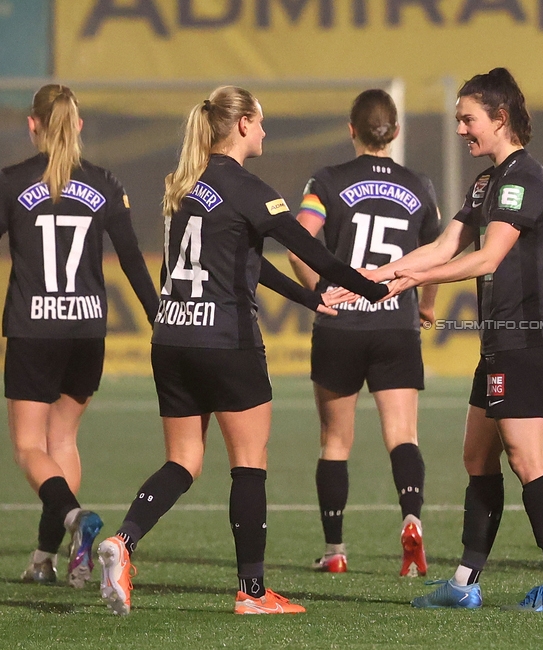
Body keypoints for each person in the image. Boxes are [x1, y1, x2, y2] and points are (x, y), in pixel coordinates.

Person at [95, 85, 388, 616]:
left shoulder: (184, 188)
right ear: (245, 124)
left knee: (183, 460)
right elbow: (314, 251)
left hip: (173, 336)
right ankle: (252, 593)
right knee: (249, 462)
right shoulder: (250, 188)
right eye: (262, 122)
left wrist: (309, 298)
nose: (267, 132)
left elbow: (250, 261)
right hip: (226, 341)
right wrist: (377, 287)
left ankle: (124, 541)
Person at [359, 68, 543, 611]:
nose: (460, 129)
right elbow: (442, 246)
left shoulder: (524, 176)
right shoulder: (487, 181)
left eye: (468, 118)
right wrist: (378, 277)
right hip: (500, 341)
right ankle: (464, 583)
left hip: (528, 339)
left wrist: (414, 281)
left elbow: (486, 257)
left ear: (500, 118)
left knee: (528, 460)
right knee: (477, 457)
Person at [0, 84, 158, 589]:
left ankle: (74, 520)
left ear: (33, 125)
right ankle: (47, 558)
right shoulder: (105, 183)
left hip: (33, 328)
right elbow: (132, 260)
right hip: (88, 330)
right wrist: (160, 318)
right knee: (63, 439)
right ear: (80, 125)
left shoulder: (11, 183)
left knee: (29, 446)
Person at [287, 89, 440, 577]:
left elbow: (297, 243)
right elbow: (434, 258)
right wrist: (427, 306)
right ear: (394, 133)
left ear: (350, 129)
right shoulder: (421, 186)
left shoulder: (327, 181)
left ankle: (334, 550)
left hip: (342, 325)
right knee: (403, 435)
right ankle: (411, 521)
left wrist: (321, 295)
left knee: (335, 441)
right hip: (395, 322)